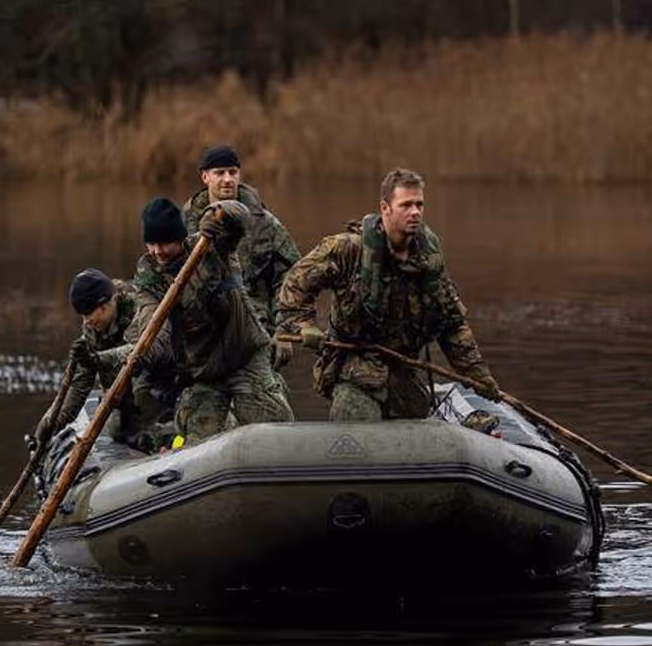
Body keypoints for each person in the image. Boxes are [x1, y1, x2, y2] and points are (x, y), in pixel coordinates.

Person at [276, 167, 502, 421]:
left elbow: (451, 324)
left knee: (417, 426)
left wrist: (477, 374)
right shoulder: (348, 249)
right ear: (385, 207)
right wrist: (304, 325)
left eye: (419, 204)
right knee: (355, 418)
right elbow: (295, 284)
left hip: (402, 370)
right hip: (353, 367)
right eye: (406, 205)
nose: (415, 212)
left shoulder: (429, 262)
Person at [134, 197, 294, 444]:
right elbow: (151, 320)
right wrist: (144, 354)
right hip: (203, 370)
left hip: (244, 356)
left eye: (164, 243)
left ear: (179, 238)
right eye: (151, 244)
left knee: (273, 429)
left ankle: (267, 394)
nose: (157, 251)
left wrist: (216, 212)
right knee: (197, 436)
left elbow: (240, 214)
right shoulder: (149, 276)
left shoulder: (212, 245)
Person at [182, 145, 302, 370]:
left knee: (271, 403)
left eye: (233, 172)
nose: (227, 179)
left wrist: (285, 330)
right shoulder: (185, 224)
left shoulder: (265, 223)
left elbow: (292, 276)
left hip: (255, 336)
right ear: (205, 177)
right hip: (203, 339)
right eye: (220, 173)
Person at [32, 268, 176, 453]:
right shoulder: (92, 330)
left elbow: (141, 351)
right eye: (83, 316)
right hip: (126, 392)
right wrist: (50, 423)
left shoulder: (140, 308)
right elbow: (79, 385)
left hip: (162, 382)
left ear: (107, 304)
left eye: (90, 314)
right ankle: (152, 441)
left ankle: (172, 435)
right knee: (116, 428)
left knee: (143, 392)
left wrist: (97, 359)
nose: (87, 321)